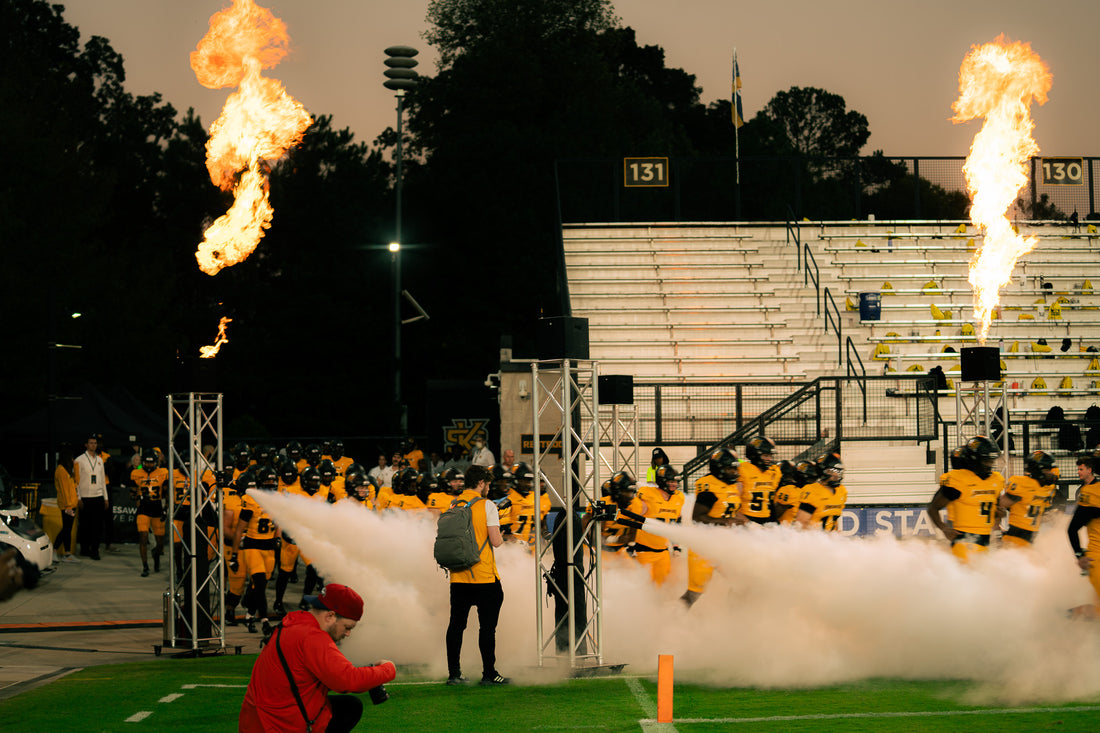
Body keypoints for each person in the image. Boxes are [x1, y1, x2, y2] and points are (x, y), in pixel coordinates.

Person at [239, 583, 396, 733]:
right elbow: (348, 680)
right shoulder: (313, 637)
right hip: (280, 725)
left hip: (258, 721)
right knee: (349, 707)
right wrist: (388, 669)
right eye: (347, 627)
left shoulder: (293, 623)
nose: (348, 634)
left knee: (348, 706)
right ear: (330, 616)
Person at [444, 464, 510, 687]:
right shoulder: (487, 505)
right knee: (487, 628)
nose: (489, 488)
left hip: (458, 576)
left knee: (456, 625)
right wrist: (502, 531)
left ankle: (454, 673)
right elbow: (495, 542)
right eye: (488, 484)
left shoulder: (455, 502)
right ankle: (489, 673)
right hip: (484, 577)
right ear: (481, 483)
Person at [926, 436, 1004, 563]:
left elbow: (993, 508)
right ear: (974, 459)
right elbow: (933, 507)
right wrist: (943, 527)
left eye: (991, 461)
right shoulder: (959, 480)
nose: (990, 465)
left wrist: (999, 514)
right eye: (986, 461)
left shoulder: (996, 479)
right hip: (964, 540)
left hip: (985, 539)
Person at [682, 448, 744, 607]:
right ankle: (673, 618)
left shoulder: (730, 485)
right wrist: (726, 522)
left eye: (735, 468)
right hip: (703, 546)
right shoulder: (709, 487)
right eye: (730, 468)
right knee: (695, 593)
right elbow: (697, 518)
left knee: (741, 583)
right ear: (719, 469)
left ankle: (734, 618)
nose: (734, 471)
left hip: (722, 543)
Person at [633, 464, 685, 586]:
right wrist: (630, 545)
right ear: (662, 481)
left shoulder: (678, 498)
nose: (674, 484)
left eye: (676, 481)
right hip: (644, 550)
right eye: (671, 481)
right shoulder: (648, 494)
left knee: (663, 587)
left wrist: (676, 546)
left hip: (663, 552)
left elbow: (675, 524)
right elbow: (634, 519)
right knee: (645, 587)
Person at [1000, 450, 1058, 548]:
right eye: (1047, 470)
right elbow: (1000, 506)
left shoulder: (1048, 488)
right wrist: (997, 529)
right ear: (1037, 470)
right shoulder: (1021, 484)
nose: (1051, 473)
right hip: (1015, 539)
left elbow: (1042, 513)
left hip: (1032, 539)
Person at [1068, 452, 1100, 619]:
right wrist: (1079, 554)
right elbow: (1072, 528)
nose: (1079, 472)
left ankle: (1062, 619)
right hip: (1097, 557)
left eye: (1082, 469)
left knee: (1097, 611)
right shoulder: (1091, 493)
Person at [130, 449, 168, 577]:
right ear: (143, 462)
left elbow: (167, 493)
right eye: (147, 463)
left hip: (157, 508)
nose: (149, 465)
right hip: (144, 509)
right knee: (143, 537)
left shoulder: (163, 473)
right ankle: (145, 566)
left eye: (152, 463)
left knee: (160, 544)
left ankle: (155, 556)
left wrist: (166, 508)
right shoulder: (136, 473)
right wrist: (138, 497)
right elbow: (132, 493)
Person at [73, 434, 108, 560]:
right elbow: (76, 481)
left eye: (95, 443)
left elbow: (102, 480)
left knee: (97, 526)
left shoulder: (99, 460)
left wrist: (105, 497)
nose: (93, 445)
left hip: (98, 496)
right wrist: (79, 497)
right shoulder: (79, 460)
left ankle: (95, 550)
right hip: (85, 497)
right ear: (86, 445)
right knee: (85, 526)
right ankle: (84, 549)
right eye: (91, 443)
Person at [795, 453, 848, 531]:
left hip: (830, 539)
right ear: (824, 471)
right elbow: (801, 522)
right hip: (815, 539)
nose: (837, 475)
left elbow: (833, 519)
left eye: (839, 472)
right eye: (834, 471)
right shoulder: (813, 490)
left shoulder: (841, 491)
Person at [737, 437, 781, 525]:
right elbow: (733, 502)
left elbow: (770, 501)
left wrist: (774, 521)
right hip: (746, 518)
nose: (769, 459)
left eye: (770, 456)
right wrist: (747, 522)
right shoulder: (742, 470)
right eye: (765, 455)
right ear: (754, 455)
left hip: (766, 519)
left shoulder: (774, 472)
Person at [52, 444, 80, 563]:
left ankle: (67, 553)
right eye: (71, 458)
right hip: (67, 506)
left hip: (72, 504)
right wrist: (68, 507)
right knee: (66, 529)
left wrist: (76, 467)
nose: (73, 460)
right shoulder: (60, 471)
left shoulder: (67, 471)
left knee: (67, 529)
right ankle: (54, 551)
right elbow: (64, 490)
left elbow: (76, 483)